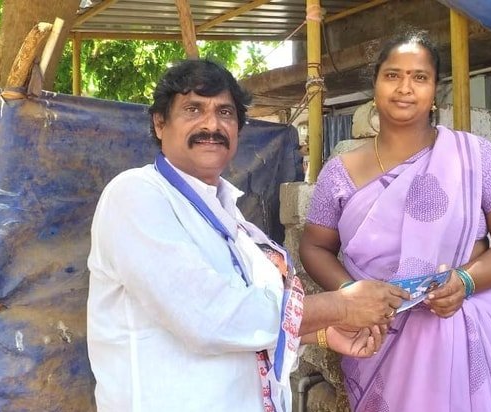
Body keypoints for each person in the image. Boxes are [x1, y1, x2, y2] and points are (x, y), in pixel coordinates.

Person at [86, 59, 410, 412]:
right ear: (160, 123)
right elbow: (209, 315)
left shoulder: (228, 213)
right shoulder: (136, 195)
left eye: (225, 112)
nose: (211, 125)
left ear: (238, 129)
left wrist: (321, 331)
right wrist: (340, 306)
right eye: (193, 109)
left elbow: (246, 319)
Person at [299, 29, 491, 412]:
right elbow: (314, 246)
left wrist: (465, 281)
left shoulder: (476, 158)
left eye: (419, 77)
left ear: (434, 90)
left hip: (461, 336)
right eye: (392, 75)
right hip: (376, 340)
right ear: (375, 85)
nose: (405, 88)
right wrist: (351, 297)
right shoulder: (339, 173)